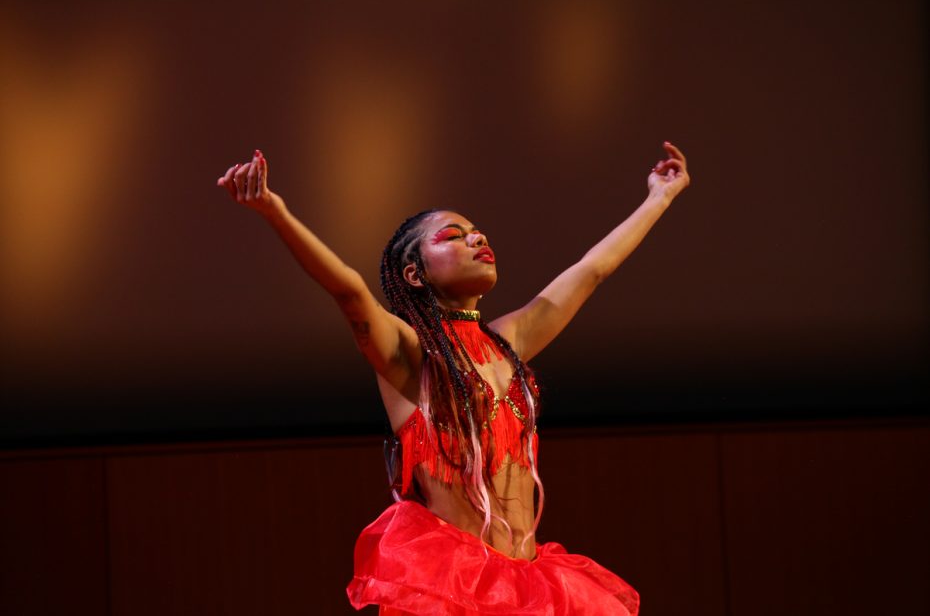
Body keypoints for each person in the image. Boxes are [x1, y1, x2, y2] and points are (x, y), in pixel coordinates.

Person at [217, 142, 690, 615]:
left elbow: (592, 271)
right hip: (456, 590)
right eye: (453, 236)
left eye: (479, 233)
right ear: (414, 274)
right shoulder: (410, 356)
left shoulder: (510, 340)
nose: (478, 240)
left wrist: (659, 199)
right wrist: (273, 211)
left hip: (535, 588)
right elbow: (348, 289)